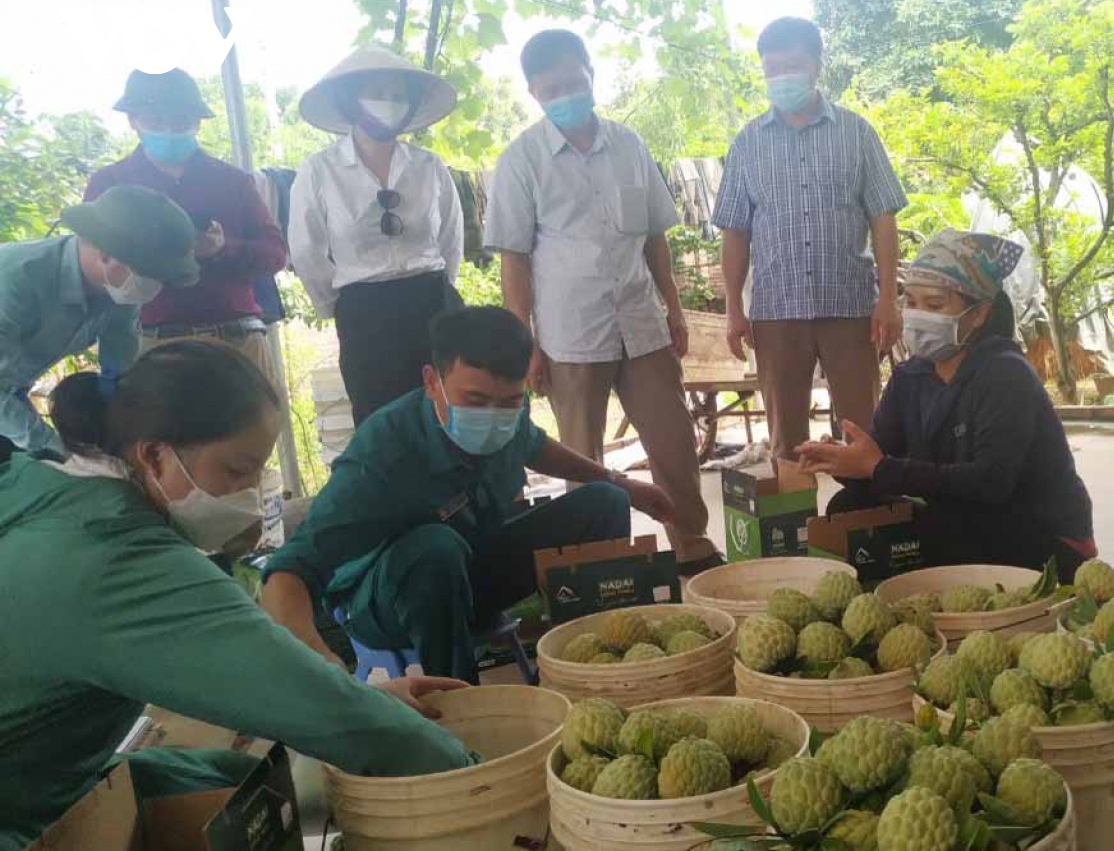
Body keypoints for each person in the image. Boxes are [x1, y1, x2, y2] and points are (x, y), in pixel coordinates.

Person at [0, 340, 473, 851]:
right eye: (234, 471)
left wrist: (362, 702)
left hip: (45, 774)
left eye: (258, 472)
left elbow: (278, 675)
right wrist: (475, 775)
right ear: (155, 454)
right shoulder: (107, 555)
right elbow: (307, 701)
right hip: (21, 810)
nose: (249, 494)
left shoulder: (52, 488)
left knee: (235, 779)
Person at [261, 306, 675, 683]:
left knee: (605, 501)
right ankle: (463, 699)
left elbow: (534, 445)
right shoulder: (382, 453)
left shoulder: (510, 418)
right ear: (432, 382)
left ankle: (597, 664)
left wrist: (623, 482)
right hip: (387, 602)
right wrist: (324, 671)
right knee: (434, 548)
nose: (493, 416)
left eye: (509, 403)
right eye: (474, 400)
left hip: (470, 570)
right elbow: (288, 571)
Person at [486, 30, 721, 575]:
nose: (565, 94)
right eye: (551, 89)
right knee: (581, 456)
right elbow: (514, 261)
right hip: (569, 334)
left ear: (591, 73)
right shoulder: (521, 161)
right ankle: (600, 559)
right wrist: (525, 344)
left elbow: (654, 238)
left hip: (641, 323)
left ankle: (692, 544)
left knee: (674, 441)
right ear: (533, 92)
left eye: (574, 81)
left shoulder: (629, 146)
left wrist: (675, 308)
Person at [796, 231, 1096, 578]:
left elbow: (990, 483)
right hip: (965, 515)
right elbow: (878, 467)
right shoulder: (910, 377)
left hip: (1041, 535)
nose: (919, 315)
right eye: (910, 302)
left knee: (936, 535)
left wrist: (878, 467)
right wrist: (843, 461)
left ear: (979, 312)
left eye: (935, 305)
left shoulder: (1007, 375)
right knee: (848, 507)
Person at [712, 17, 908, 460]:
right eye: (773, 69)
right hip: (776, 311)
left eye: (793, 65)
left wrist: (888, 299)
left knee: (864, 432)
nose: (783, 77)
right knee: (786, 442)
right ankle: (795, 527)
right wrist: (733, 311)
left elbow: (883, 216)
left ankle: (864, 523)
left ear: (817, 66)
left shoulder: (856, 133)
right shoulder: (747, 144)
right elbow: (735, 231)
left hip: (851, 305)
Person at [289, 44, 465, 425]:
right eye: (377, 93)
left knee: (452, 412)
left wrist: (440, 286)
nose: (389, 103)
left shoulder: (428, 165)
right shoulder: (319, 170)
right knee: (382, 422)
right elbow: (306, 249)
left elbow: (451, 238)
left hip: (434, 303)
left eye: (398, 95)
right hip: (365, 312)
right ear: (350, 102)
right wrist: (337, 305)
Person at [85, 68, 288, 369]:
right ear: (132, 121)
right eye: (155, 122)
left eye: (180, 122)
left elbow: (275, 254)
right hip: (154, 347)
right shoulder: (109, 184)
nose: (169, 131)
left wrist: (222, 249)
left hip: (238, 341)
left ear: (197, 123)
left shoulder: (233, 181)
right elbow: (89, 267)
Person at [0, 186, 199, 461]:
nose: (154, 287)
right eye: (149, 274)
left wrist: (121, 421)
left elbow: (118, 362)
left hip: (11, 396)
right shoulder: (15, 280)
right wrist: (60, 451)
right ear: (106, 255)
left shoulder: (118, 292)